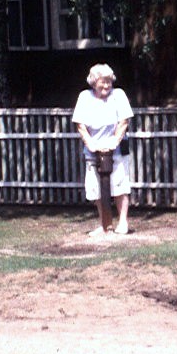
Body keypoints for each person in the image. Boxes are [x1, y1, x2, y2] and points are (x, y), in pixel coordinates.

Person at [71, 63, 133, 235]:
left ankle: (122, 222)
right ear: (93, 82)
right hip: (93, 150)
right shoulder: (85, 97)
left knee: (120, 185)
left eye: (109, 82)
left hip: (117, 149)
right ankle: (105, 224)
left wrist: (114, 141)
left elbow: (124, 121)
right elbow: (80, 124)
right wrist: (90, 144)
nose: (106, 85)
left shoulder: (118, 95)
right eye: (102, 82)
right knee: (96, 188)